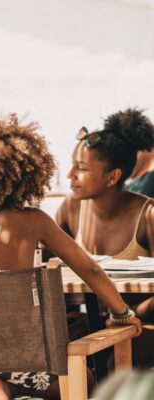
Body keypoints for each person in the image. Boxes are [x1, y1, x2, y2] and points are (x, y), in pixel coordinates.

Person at [0, 113, 142, 400]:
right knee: (87, 377)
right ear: (30, 174)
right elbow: (88, 268)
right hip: (17, 355)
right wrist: (122, 313)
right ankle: (7, 386)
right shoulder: (34, 220)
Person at [56, 108, 154, 368]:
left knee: (115, 364)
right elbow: (46, 273)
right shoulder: (70, 209)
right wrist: (67, 316)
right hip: (92, 327)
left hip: (141, 326)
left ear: (113, 176)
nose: (69, 175)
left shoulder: (148, 215)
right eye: (71, 165)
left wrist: (119, 317)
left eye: (81, 168)